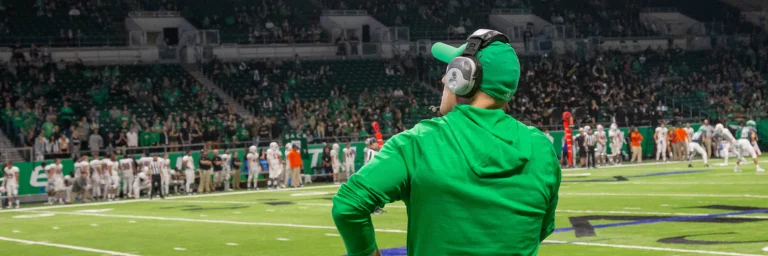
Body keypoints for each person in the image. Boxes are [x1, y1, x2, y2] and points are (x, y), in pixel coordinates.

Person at [332, 30, 560, 256]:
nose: (443, 79)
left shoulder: (419, 142)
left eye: (449, 70)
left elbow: (348, 206)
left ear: (462, 77)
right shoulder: (542, 149)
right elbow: (539, 230)